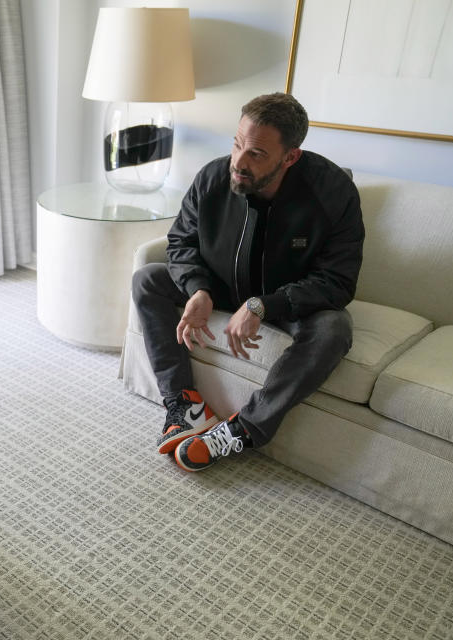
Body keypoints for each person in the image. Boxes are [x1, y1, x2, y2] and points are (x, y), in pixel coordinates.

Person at [132, 92, 364, 472]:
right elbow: (181, 243)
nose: (238, 162)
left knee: (334, 327)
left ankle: (243, 429)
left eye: (256, 154)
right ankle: (185, 403)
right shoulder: (213, 178)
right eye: (237, 144)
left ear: (290, 157)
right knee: (147, 279)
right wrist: (199, 290)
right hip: (223, 285)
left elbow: (337, 282)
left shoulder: (333, 193)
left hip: (285, 300)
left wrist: (263, 305)